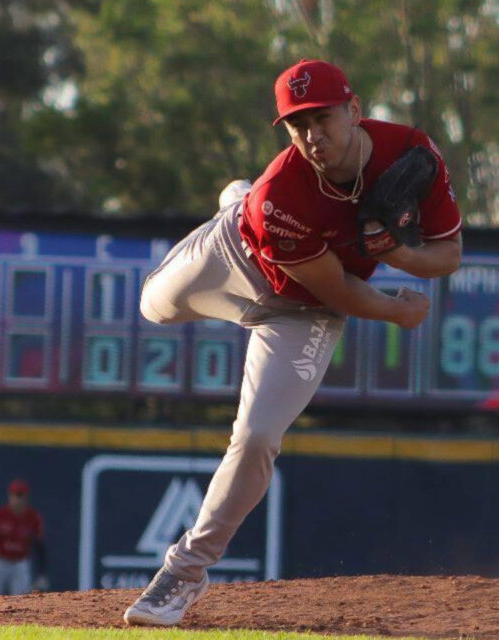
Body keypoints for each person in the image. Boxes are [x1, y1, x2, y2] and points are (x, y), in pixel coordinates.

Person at [122, 58, 463, 626]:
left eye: (322, 118)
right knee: (150, 307)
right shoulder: (283, 193)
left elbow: (447, 256)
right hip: (240, 257)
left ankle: (182, 575)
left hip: (303, 314)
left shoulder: (409, 153)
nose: (311, 135)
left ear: (354, 112)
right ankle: (237, 203)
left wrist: (397, 254)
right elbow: (346, 293)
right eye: (296, 124)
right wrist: (397, 314)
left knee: (257, 437)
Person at [0, 478, 48, 597]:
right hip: (0, 560)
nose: (18, 500)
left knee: (21, 599)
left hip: (20, 562)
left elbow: (39, 546)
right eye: (16, 495)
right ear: (10, 496)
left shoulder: (33, 518)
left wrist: (42, 573)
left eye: (21, 496)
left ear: (26, 498)